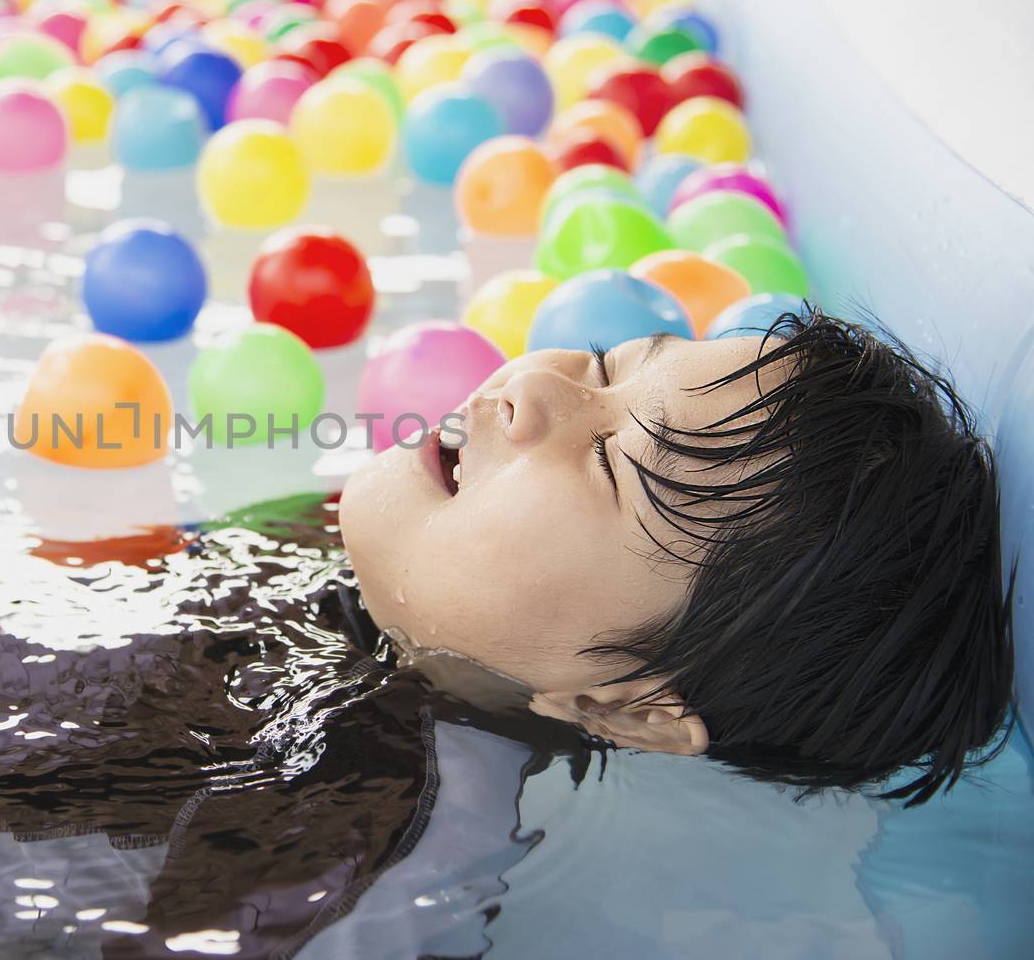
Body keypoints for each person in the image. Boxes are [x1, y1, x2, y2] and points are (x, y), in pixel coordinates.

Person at [340, 309, 1015, 805]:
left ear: (631, 715)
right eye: (607, 366)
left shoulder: (372, 829)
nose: (538, 383)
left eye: (609, 462)